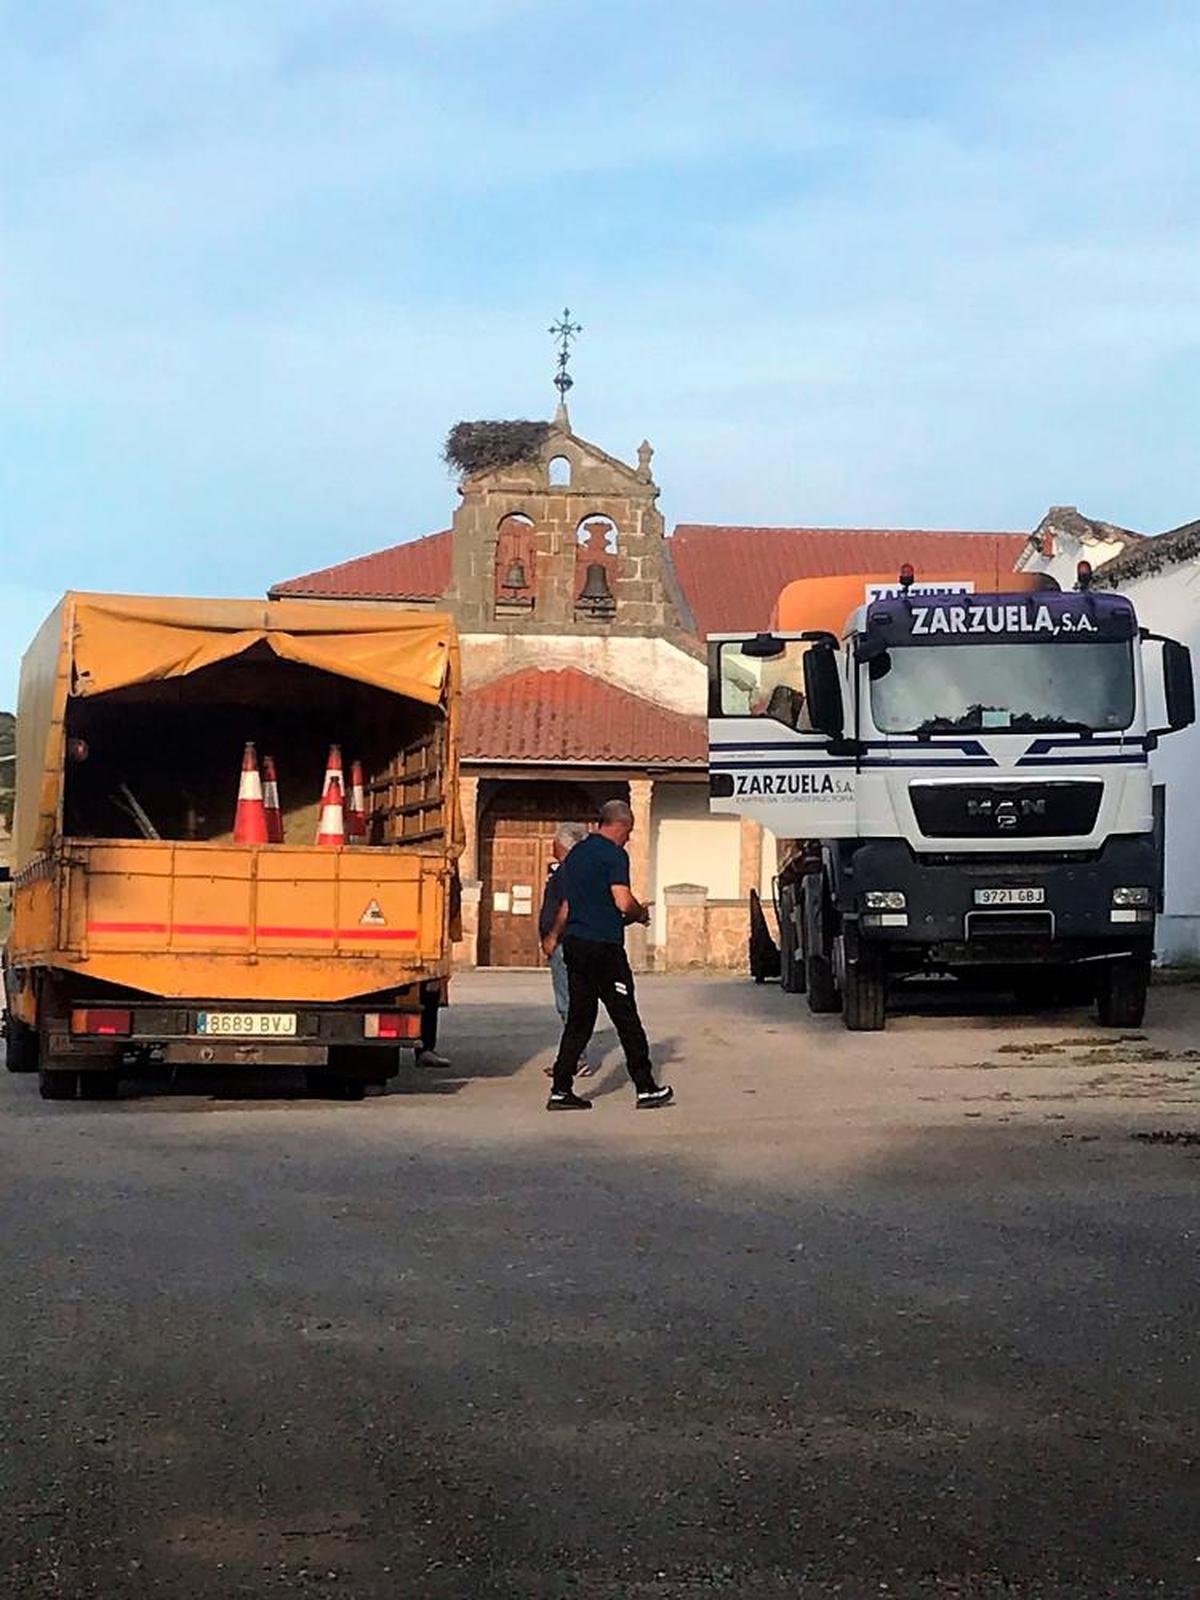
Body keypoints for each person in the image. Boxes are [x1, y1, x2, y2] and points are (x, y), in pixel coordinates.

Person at [542, 798, 673, 1111]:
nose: (629, 838)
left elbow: (567, 906)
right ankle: (646, 1086)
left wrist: (554, 936)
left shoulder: (576, 856)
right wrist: (640, 914)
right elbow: (622, 901)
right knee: (625, 1016)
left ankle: (561, 1089)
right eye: (629, 832)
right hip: (604, 948)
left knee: (579, 1019)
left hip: (575, 945)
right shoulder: (615, 855)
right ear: (622, 825)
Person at [540, 821, 592, 1078]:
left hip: (564, 943)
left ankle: (575, 1058)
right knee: (571, 1001)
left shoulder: (569, 871)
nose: (551, 844)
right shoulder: (573, 870)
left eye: (555, 840)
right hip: (572, 942)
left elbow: (567, 906)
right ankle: (572, 1057)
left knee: (568, 1003)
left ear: (563, 844)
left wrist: (552, 936)